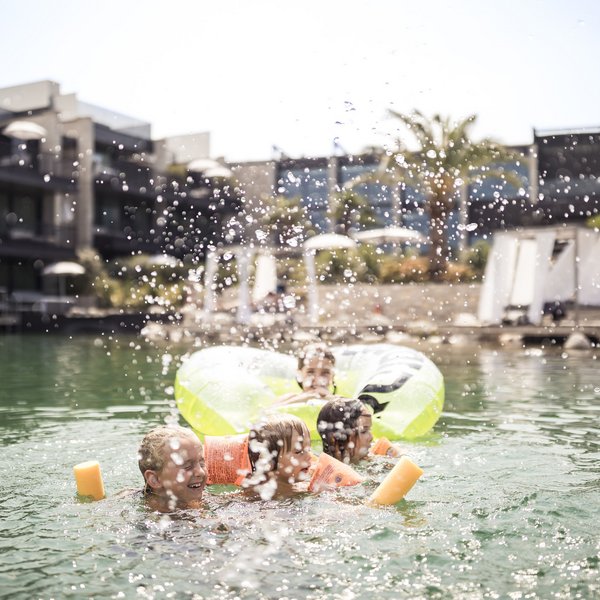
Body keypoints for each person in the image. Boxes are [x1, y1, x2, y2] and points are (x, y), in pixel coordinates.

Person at [138, 425, 207, 512]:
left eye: (201, 463)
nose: (200, 472)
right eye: (187, 466)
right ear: (155, 479)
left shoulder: (186, 497)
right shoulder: (160, 517)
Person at [244, 413, 313, 498]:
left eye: (309, 449)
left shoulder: (293, 484)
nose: (309, 456)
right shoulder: (269, 491)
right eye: (298, 451)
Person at [317, 397, 402, 464]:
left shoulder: (372, 463)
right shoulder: (320, 477)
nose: (371, 437)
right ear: (336, 438)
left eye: (369, 430)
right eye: (363, 431)